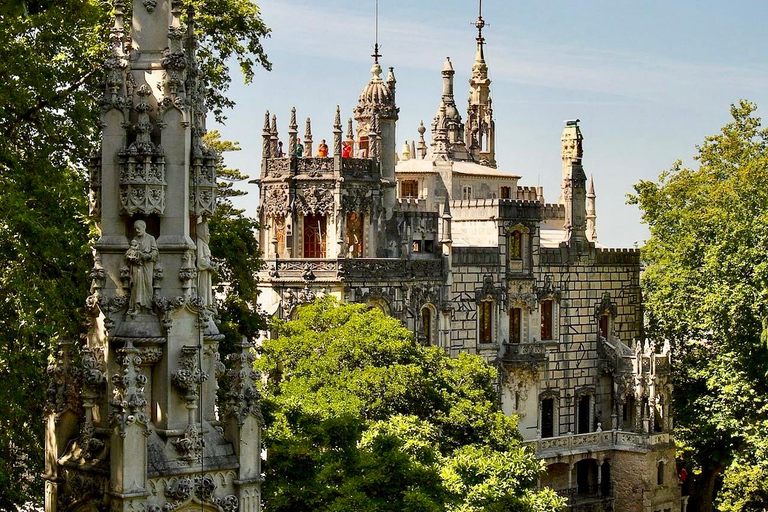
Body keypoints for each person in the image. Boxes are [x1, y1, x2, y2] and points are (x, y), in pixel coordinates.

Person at [125, 219, 158, 315]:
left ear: (144, 227)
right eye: (135, 229)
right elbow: (130, 251)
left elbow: (155, 252)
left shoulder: (151, 238)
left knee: (148, 285)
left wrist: (147, 256)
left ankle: (149, 308)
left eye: (138, 228)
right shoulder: (135, 239)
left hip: (148, 265)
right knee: (136, 286)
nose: (137, 231)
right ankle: (137, 308)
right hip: (137, 266)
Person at [196, 221, 215, 308]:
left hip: (206, 271)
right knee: (203, 289)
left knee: (206, 289)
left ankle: (207, 306)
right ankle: (203, 305)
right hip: (203, 271)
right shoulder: (199, 242)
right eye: (206, 230)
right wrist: (209, 266)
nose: (208, 233)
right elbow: (200, 261)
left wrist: (212, 264)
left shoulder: (204, 243)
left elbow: (206, 259)